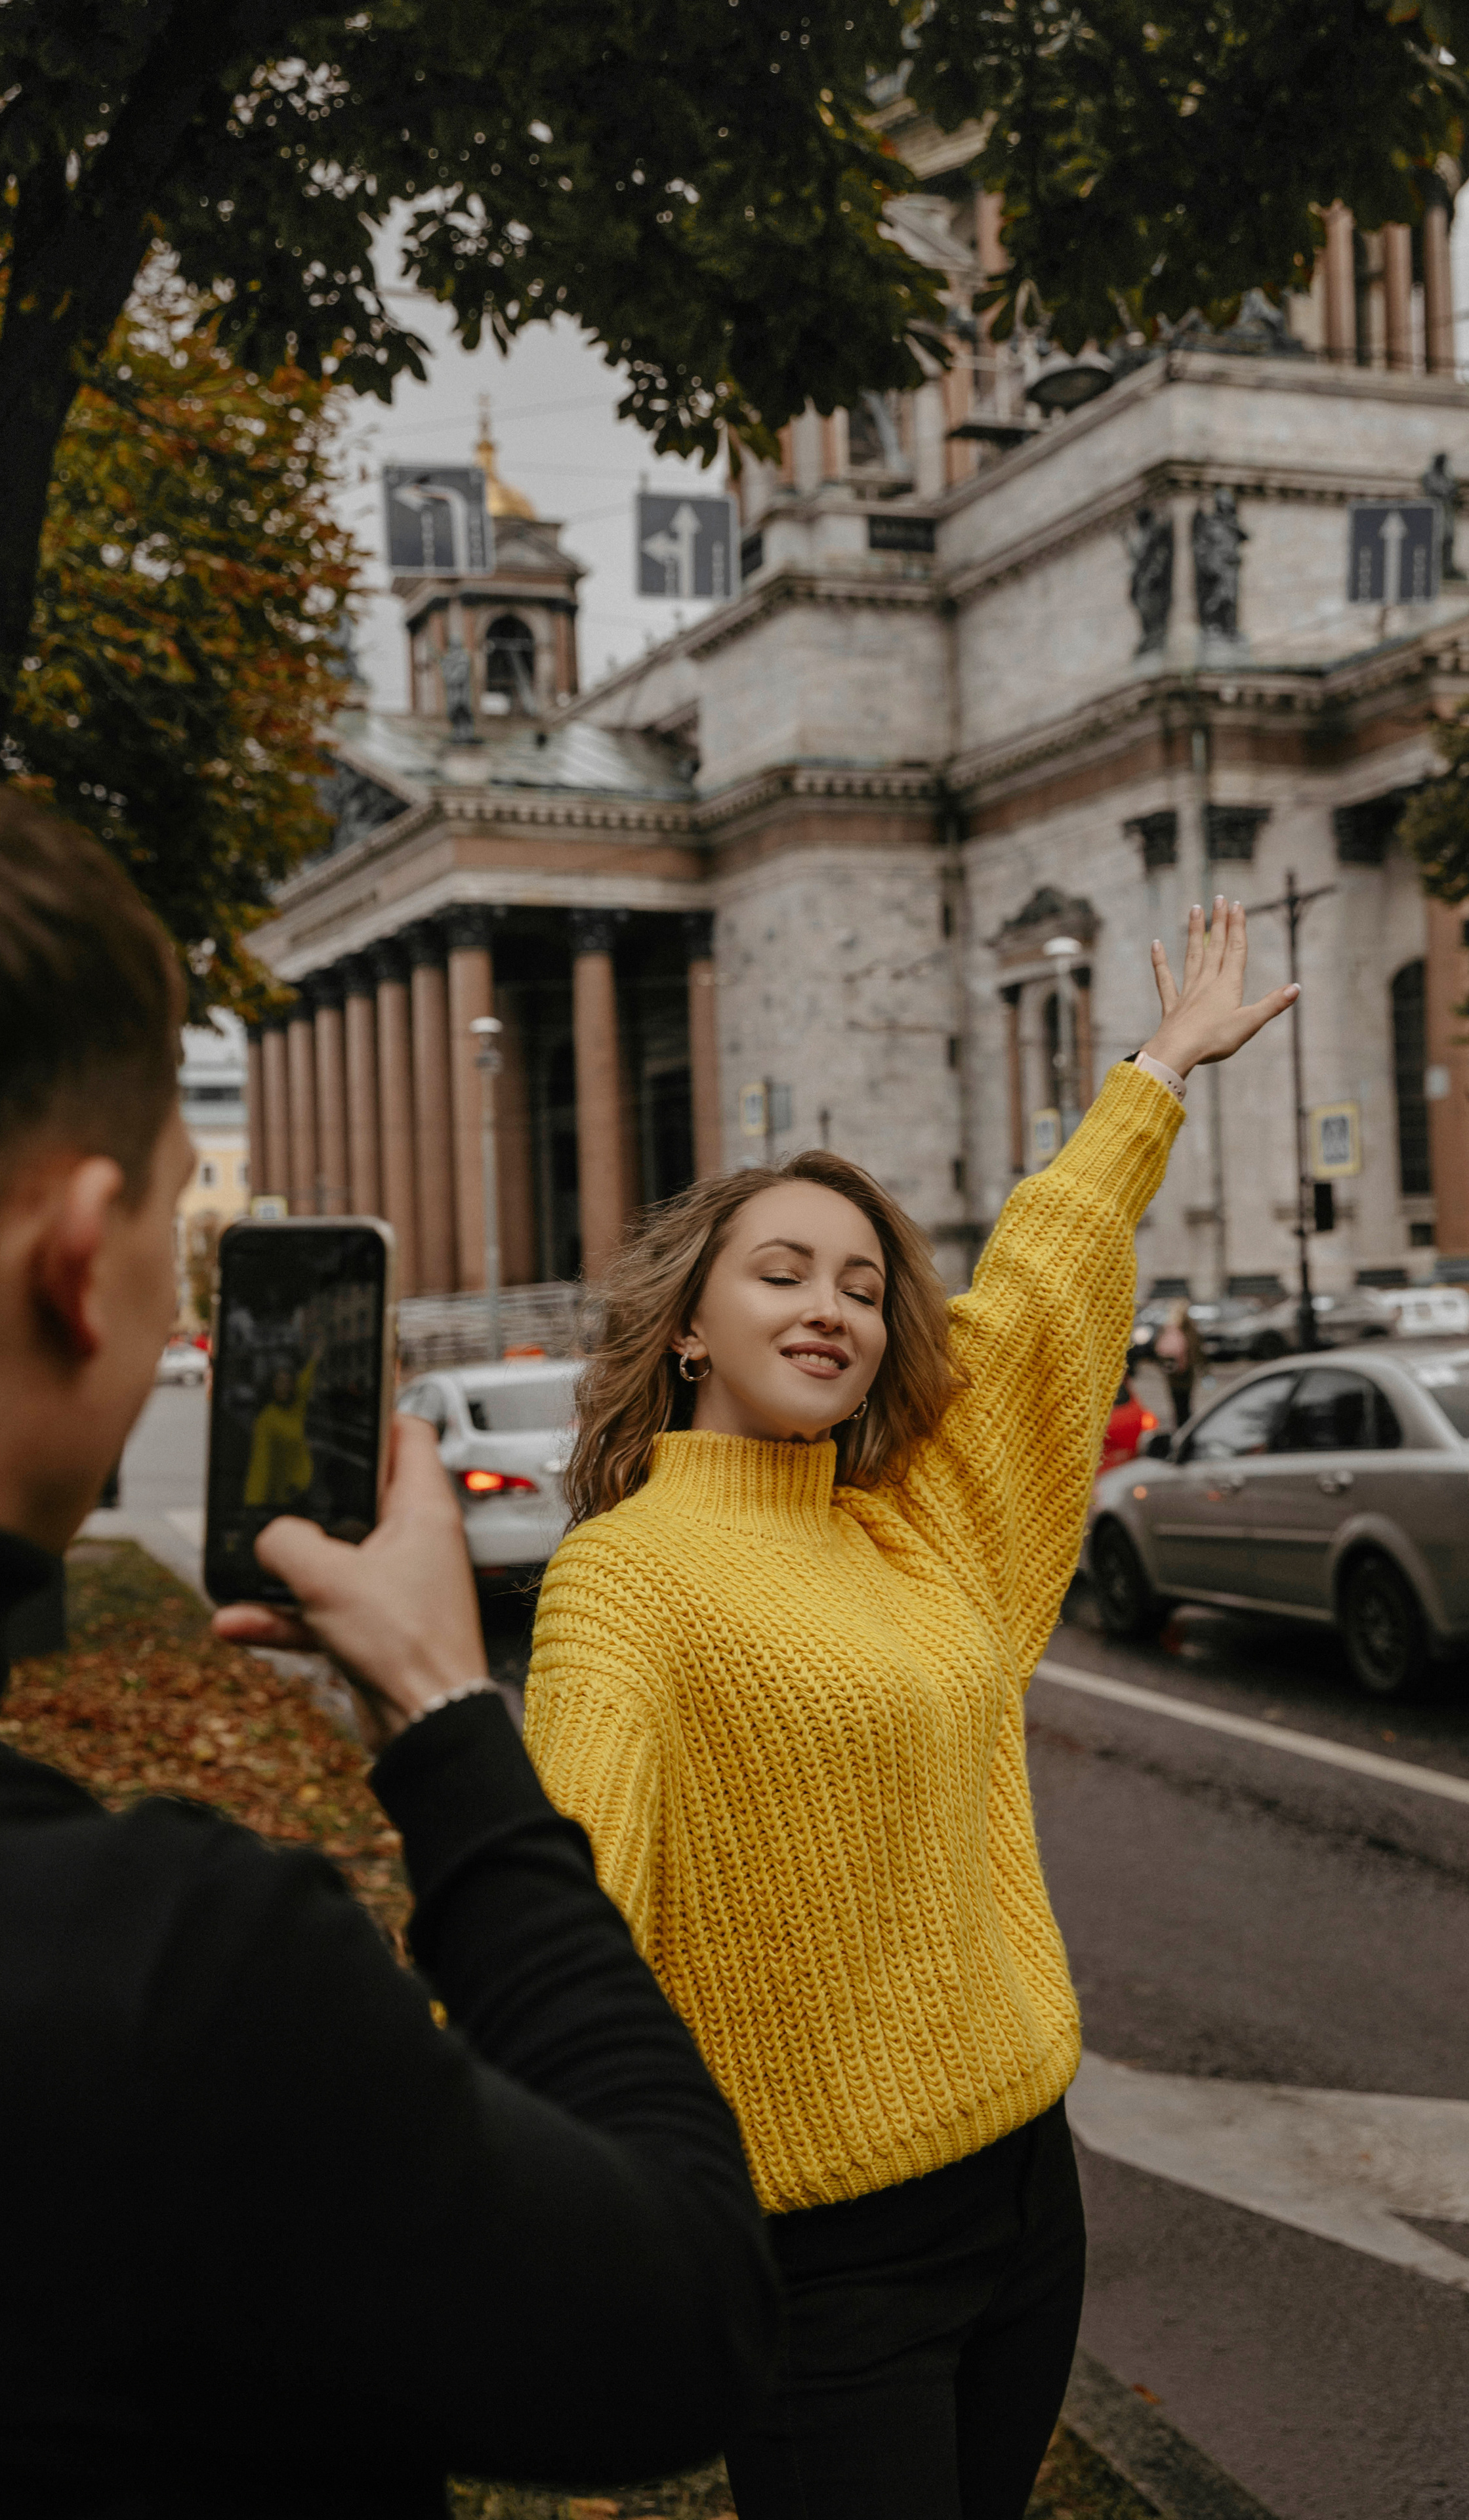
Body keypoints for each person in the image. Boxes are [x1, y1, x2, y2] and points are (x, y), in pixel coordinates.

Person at [0, 753, 776, 2514]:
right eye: (180, 1212)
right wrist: (447, 1715)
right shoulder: (165, 1979)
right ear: (78, 1264)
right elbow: (677, 2315)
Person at [525, 898, 1297, 2520]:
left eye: (861, 1286)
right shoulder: (624, 1578)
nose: (830, 1305)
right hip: (822, 2258)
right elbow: (567, 1909)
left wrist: (1152, 1074)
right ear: (685, 1329)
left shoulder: (905, 1521)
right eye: (782, 1271)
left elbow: (1031, 1313)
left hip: (1024, 2189)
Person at [243, 1350, 319, 1505]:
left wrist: (317, 1354)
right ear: (272, 1385)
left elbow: (305, 1380)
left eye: (288, 1382)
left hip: (305, 1488)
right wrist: (253, 1503)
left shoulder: (296, 1408)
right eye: (279, 1382)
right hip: (286, 1497)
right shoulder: (266, 1419)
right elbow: (260, 1464)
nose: (284, 1386)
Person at [1154, 1297, 1205, 1429]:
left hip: (1174, 1371)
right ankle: (1185, 1431)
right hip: (1184, 1371)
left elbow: (1159, 1349)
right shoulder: (1187, 1328)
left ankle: (1183, 1430)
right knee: (1184, 1404)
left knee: (1179, 1405)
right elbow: (1196, 1349)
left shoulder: (1169, 1327)